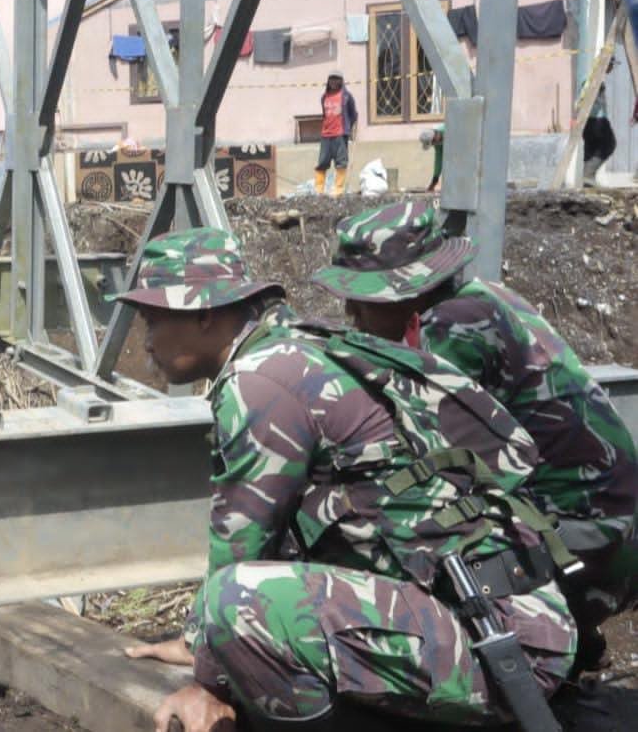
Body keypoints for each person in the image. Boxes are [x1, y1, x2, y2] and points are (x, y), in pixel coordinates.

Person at [118, 227, 575, 732]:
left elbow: (241, 543)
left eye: (152, 321)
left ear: (202, 313)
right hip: (500, 619)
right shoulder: (300, 350)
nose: (146, 344)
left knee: (235, 601)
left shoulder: (260, 381)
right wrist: (196, 641)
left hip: (500, 646)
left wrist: (207, 681)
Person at [312, 198, 638, 669]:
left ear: (408, 292)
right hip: (605, 520)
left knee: (401, 541)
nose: (352, 315)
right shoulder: (484, 298)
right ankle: (567, 638)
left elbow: (426, 456)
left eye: (365, 300)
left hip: (586, 534)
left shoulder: (450, 328)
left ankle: (530, 652)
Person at [314, 70, 357, 196]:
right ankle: (319, 190)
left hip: (340, 134)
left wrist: (348, 129)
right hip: (326, 135)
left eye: (336, 79)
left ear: (341, 81)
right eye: (331, 79)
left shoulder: (346, 96)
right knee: (322, 162)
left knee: (341, 162)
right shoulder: (324, 97)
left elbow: (353, 114)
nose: (333, 82)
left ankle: (338, 190)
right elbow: (324, 114)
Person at [583, 84, 616, 187]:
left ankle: (587, 178)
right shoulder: (593, 82)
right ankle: (588, 174)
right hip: (598, 120)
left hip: (587, 121)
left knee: (591, 149)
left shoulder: (585, 83)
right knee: (609, 144)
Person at [419, 124, 443, 192]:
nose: (433, 145)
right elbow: (439, 160)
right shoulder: (438, 143)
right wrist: (435, 179)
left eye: (432, 143)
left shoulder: (449, 130)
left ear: (436, 136)